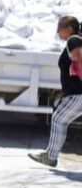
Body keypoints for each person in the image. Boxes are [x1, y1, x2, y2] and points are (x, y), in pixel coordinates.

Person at [29, 16, 82, 168]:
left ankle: (50, 157)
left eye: (60, 28)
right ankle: (50, 156)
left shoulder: (73, 40)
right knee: (60, 119)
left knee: (59, 119)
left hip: (78, 94)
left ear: (69, 29)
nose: (58, 32)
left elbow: (80, 62)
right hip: (76, 93)